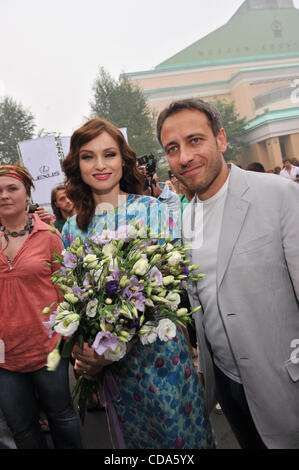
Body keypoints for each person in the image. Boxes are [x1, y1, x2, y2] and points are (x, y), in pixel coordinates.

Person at [61, 118, 215, 450]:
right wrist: (82, 348)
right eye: (88, 156)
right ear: (77, 164)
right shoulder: (72, 228)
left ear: (124, 160)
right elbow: (75, 297)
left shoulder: (152, 211)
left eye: (109, 154)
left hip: (159, 357)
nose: (100, 165)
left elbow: (169, 292)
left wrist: (113, 348)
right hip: (115, 372)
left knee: (180, 443)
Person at [156, 98, 299, 449]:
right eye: (172, 148)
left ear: (220, 139)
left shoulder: (280, 195)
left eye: (194, 140)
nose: (184, 157)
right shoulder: (186, 219)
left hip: (286, 381)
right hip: (228, 386)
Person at [0, 164, 82, 449]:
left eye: (12, 188)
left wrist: (69, 337)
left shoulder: (49, 236)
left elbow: (68, 290)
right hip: (3, 357)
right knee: (22, 430)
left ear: (27, 194)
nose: (4, 195)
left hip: (48, 349)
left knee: (62, 418)